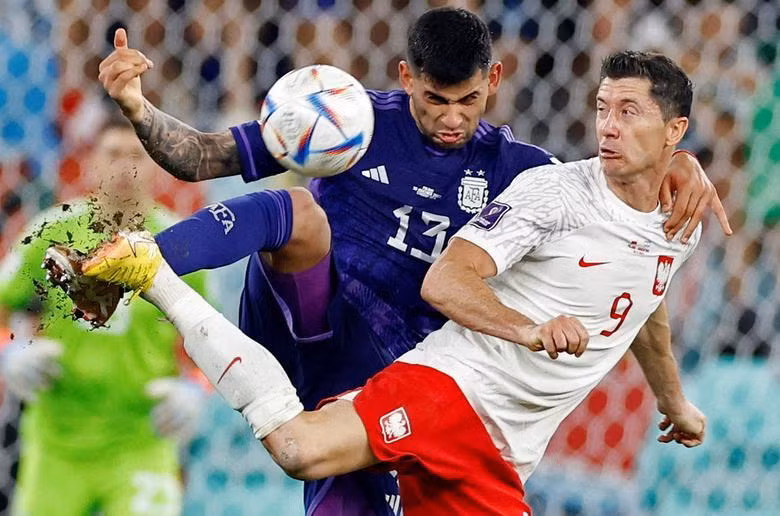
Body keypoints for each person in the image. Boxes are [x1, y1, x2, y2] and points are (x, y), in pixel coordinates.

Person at [96, 9, 727, 515]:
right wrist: (137, 107)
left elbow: (621, 237)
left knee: (340, 489)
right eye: (434, 100)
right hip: (314, 323)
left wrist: (676, 165)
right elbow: (203, 158)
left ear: (495, 82)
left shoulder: (523, 171)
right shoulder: (347, 120)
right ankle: (134, 266)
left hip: (397, 374)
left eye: (469, 101)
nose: (452, 119)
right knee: (294, 210)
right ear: (405, 77)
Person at [0, 115, 210, 516]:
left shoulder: (182, 247)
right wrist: (10, 353)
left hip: (141, 440)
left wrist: (196, 389)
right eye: (113, 154)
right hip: (57, 442)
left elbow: (210, 337)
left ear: (155, 165)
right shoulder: (49, 232)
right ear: (93, 161)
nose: (125, 167)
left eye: (137, 155)